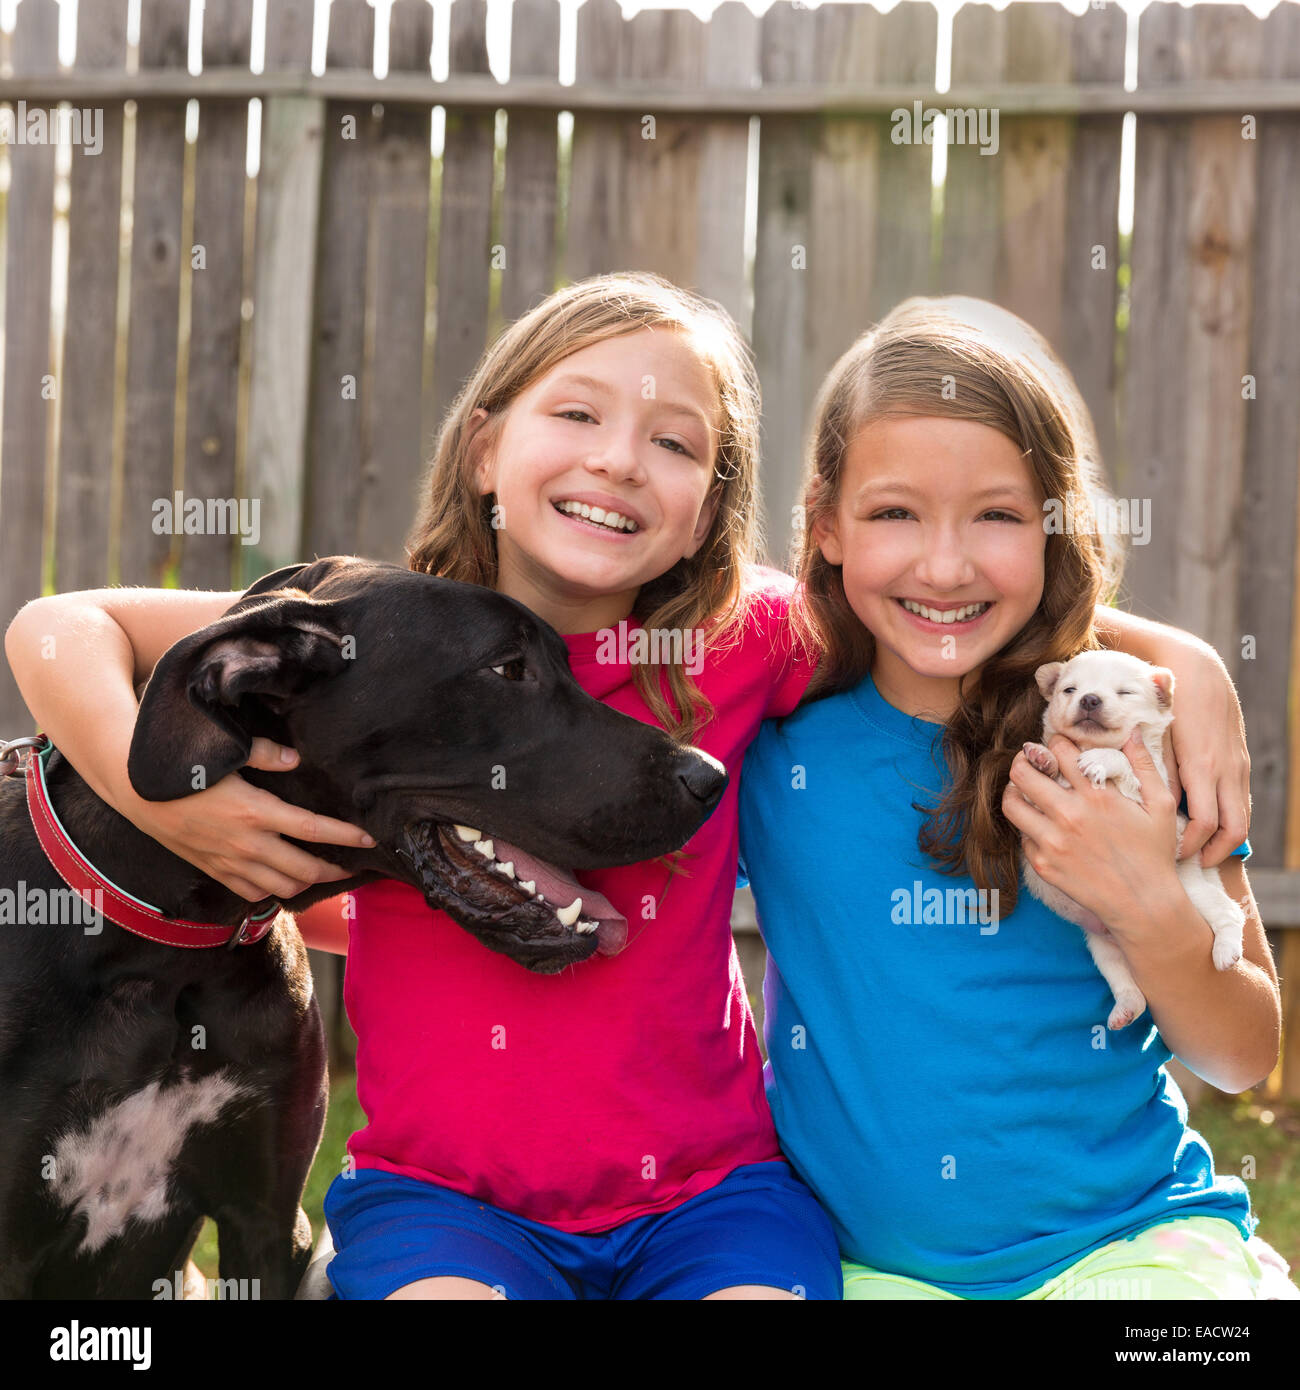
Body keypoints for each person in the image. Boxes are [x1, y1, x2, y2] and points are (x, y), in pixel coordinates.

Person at [5, 276, 1255, 1301]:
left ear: (714, 506)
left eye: (674, 442)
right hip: (450, 1203)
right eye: (578, 415)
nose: (619, 461)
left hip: (712, 1194)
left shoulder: (746, 643)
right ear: (488, 444)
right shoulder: (385, 646)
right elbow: (62, 625)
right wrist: (155, 785)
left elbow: (936, 600)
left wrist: (1182, 661)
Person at [736, 295, 1278, 1300]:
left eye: (995, 515)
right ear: (826, 525)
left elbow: (1243, 1053)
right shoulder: (775, 746)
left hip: (1128, 1245)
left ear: (1052, 527)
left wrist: (1145, 903)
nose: (945, 566)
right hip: (857, 1269)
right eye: (895, 512)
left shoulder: (1123, 743)